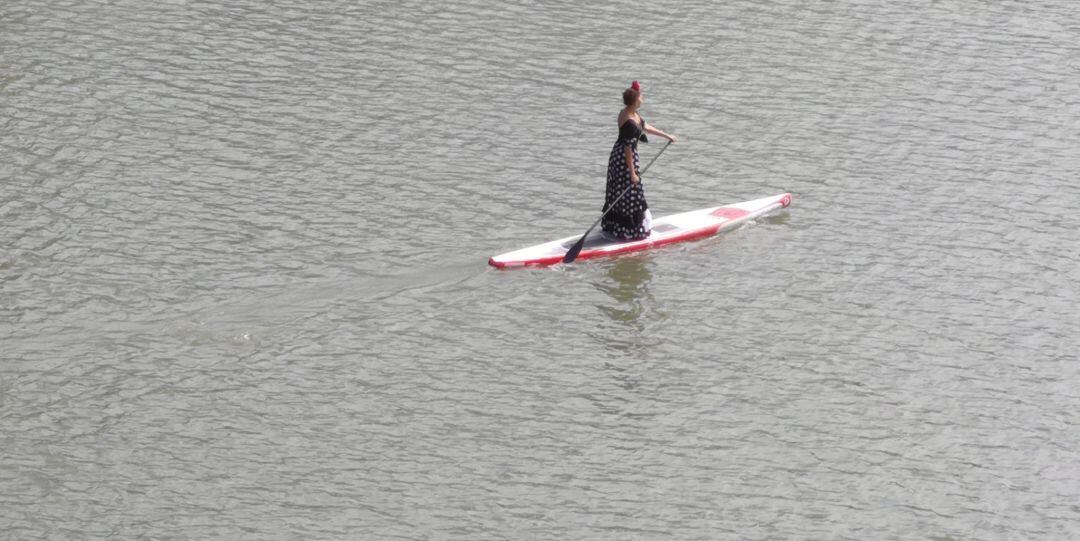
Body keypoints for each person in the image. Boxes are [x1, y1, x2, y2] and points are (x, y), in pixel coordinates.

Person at [601, 80, 677, 240]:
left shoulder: (631, 113)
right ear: (635, 101)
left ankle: (619, 228)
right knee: (631, 191)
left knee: (624, 192)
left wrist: (667, 136)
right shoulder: (628, 120)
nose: (643, 98)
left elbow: (646, 127)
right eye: (641, 96)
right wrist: (633, 172)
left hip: (622, 155)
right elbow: (628, 148)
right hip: (624, 160)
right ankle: (630, 231)